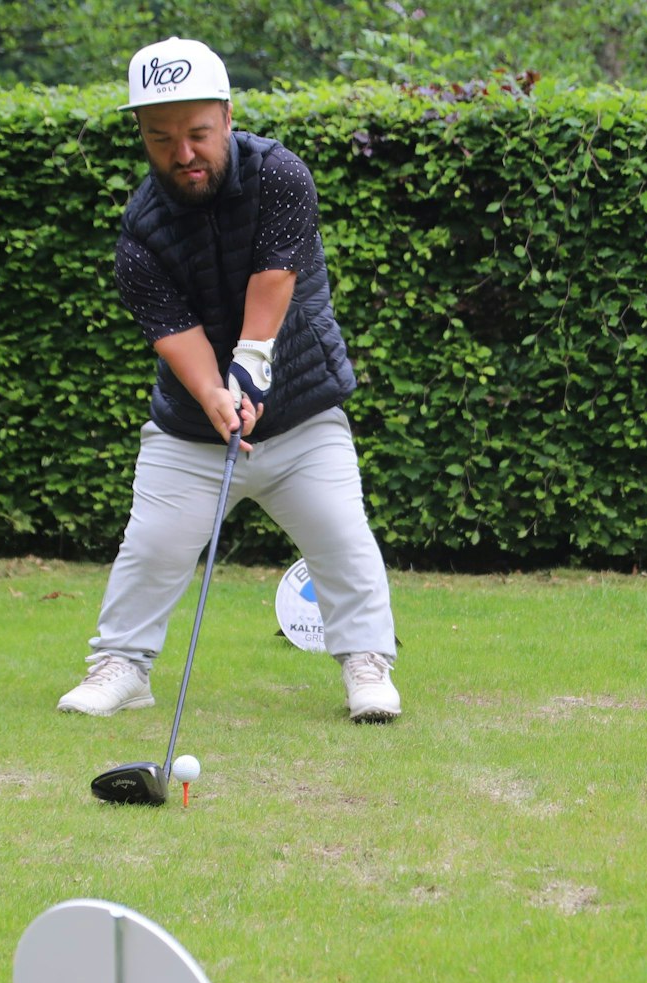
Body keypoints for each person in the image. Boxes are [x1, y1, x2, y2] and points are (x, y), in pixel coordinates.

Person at [57, 37, 401, 723]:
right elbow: (173, 335)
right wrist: (216, 393)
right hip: (192, 431)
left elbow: (275, 279)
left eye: (197, 134)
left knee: (340, 533)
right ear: (142, 136)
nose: (182, 153)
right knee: (152, 544)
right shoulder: (140, 233)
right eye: (161, 138)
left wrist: (247, 368)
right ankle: (122, 666)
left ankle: (367, 662)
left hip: (301, 414)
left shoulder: (281, 176)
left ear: (228, 115)